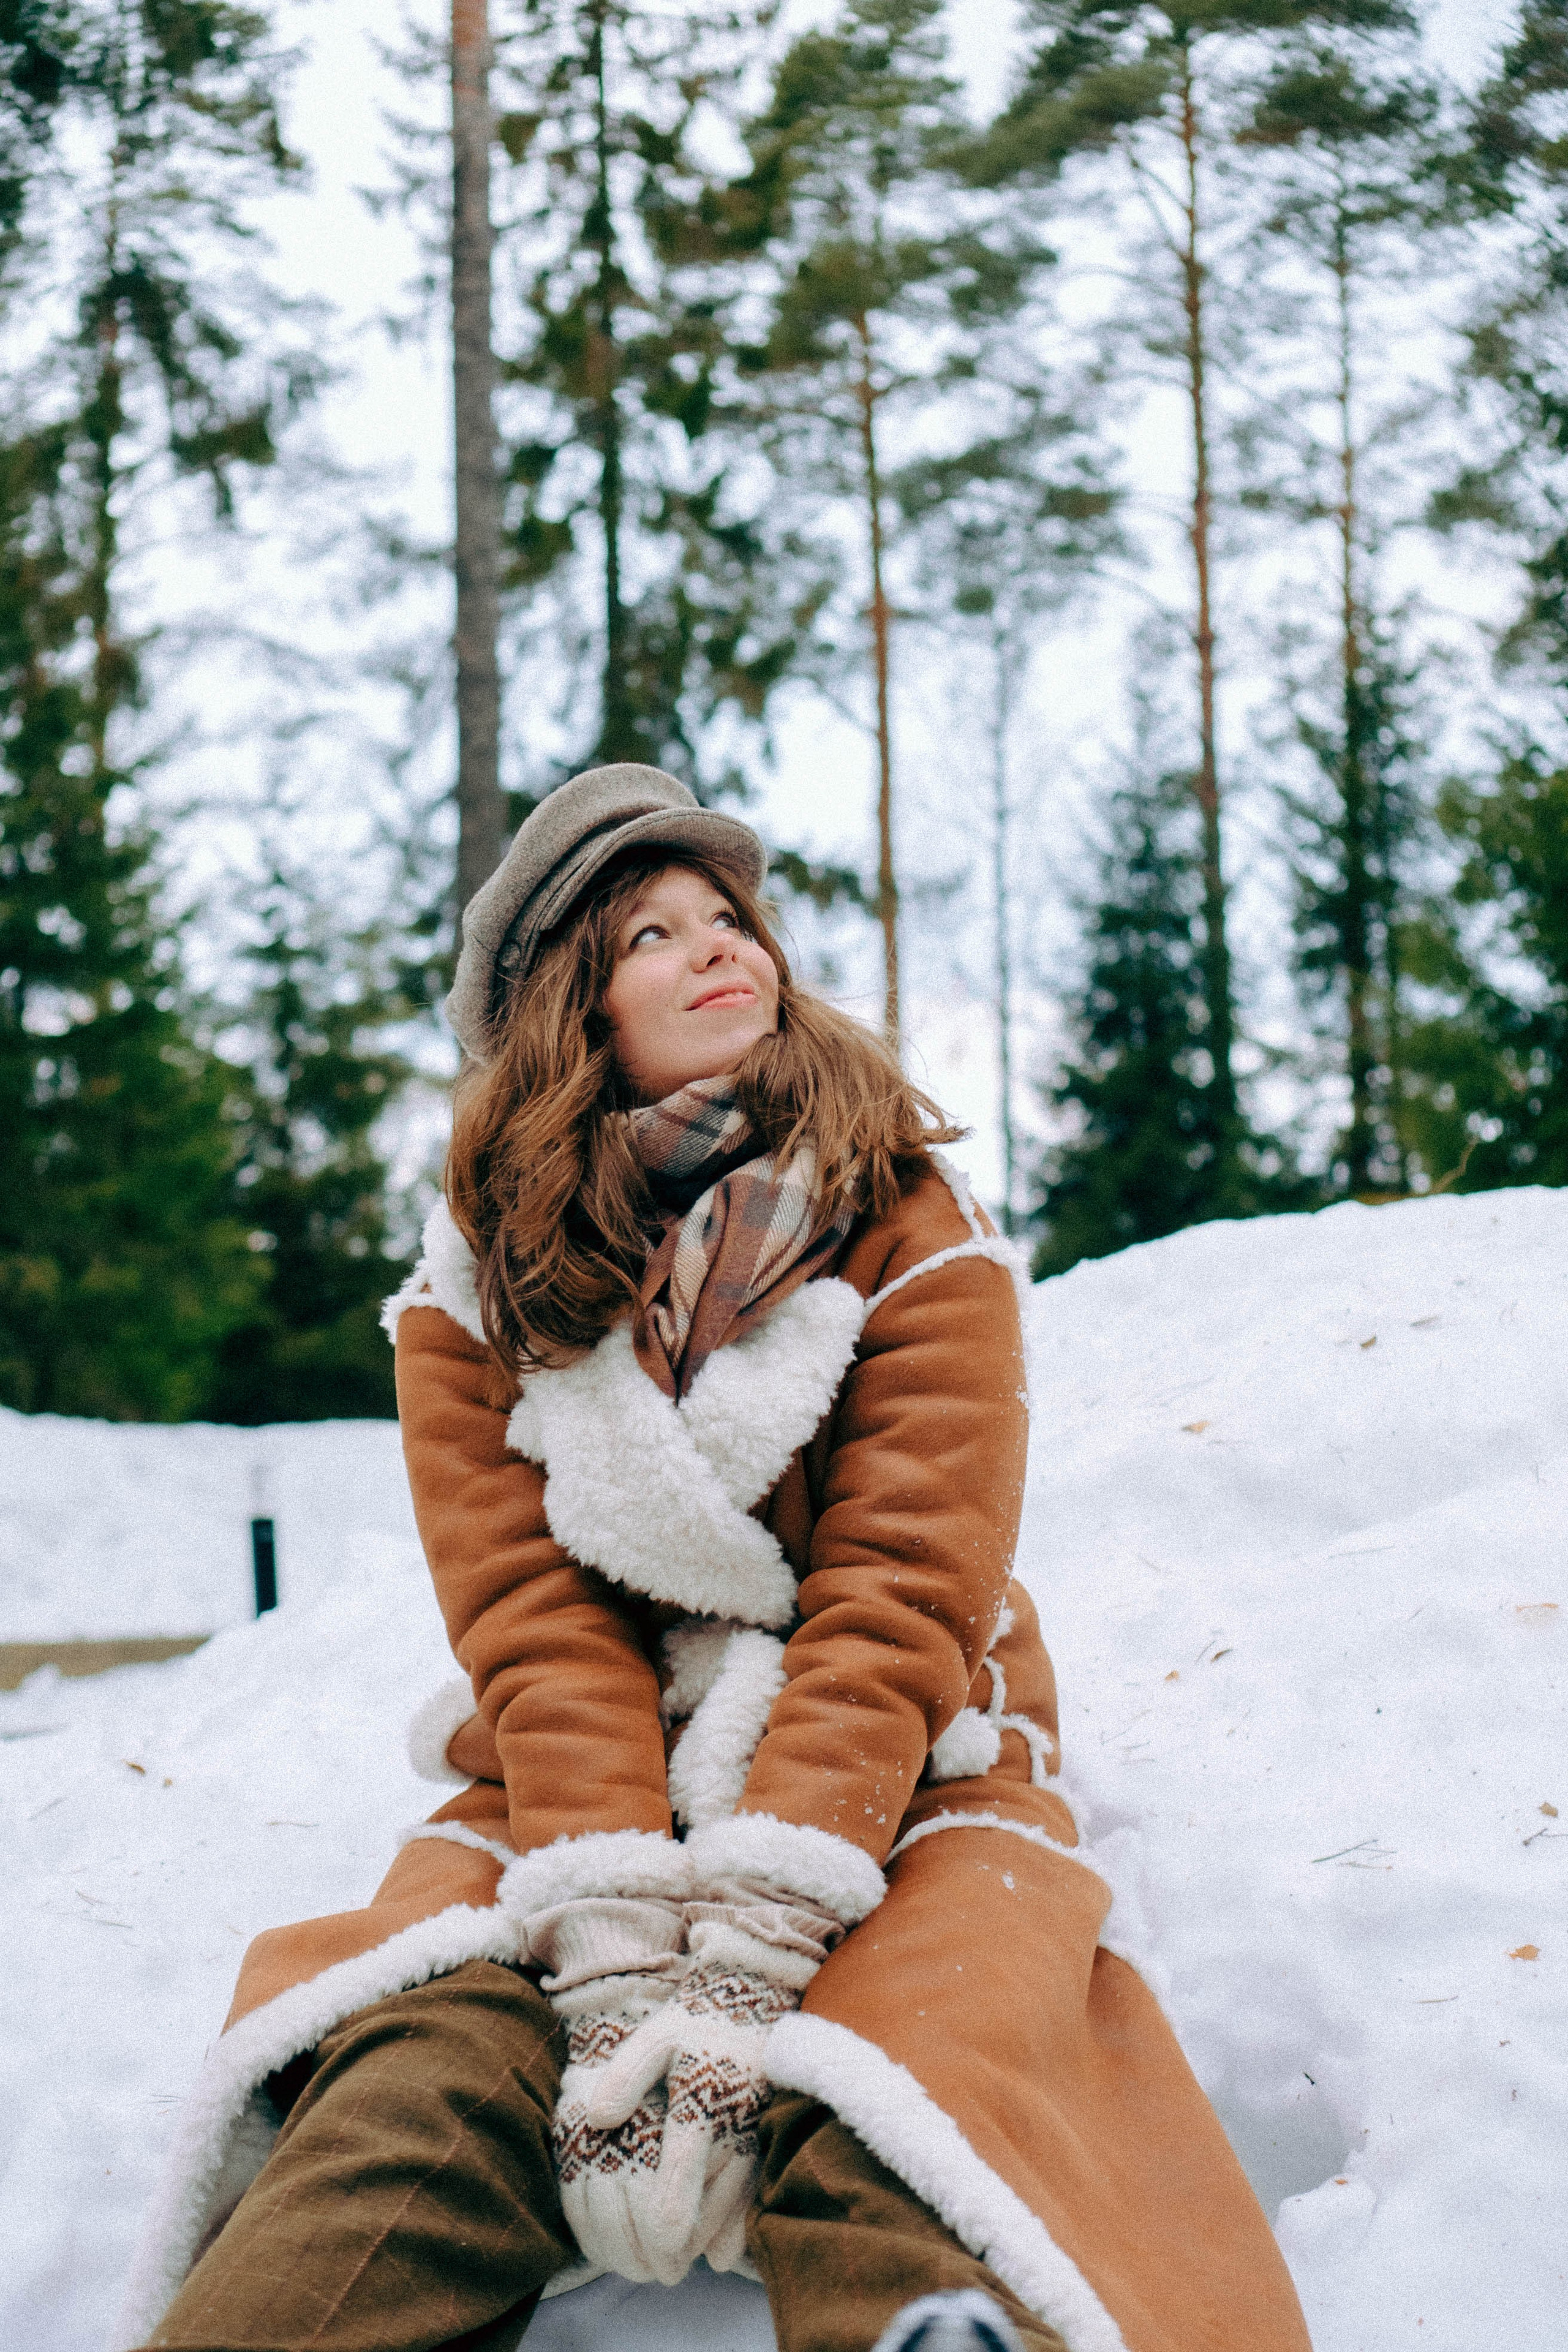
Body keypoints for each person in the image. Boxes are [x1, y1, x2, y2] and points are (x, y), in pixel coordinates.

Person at [119, 767, 1312, 2352]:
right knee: (423, 2071)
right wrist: (613, 1959)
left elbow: (903, 1594)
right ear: (572, 1012)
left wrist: (758, 1939)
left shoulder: (908, 1224)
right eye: (654, 935)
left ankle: (943, 2322)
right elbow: (537, 1632)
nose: (720, 948)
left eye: (732, 918)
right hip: (582, 1781)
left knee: (914, 2060)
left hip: (892, 1748)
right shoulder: (471, 1299)